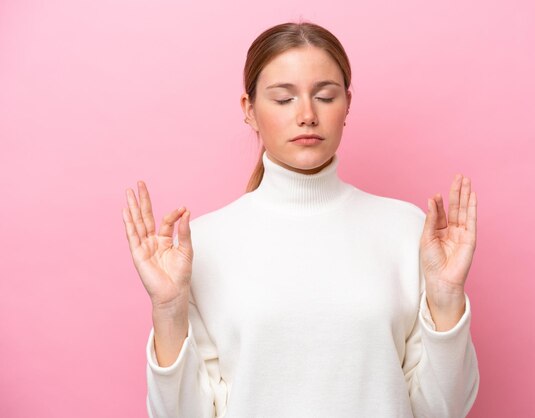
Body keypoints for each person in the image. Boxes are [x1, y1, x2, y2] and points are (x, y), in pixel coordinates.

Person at [122, 21, 479, 418]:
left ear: (347, 105)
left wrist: (447, 300)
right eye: (284, 99)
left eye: (325, 97)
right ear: (249, 110)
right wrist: (168, 310)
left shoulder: (408, 231)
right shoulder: (199, 247)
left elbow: (442, 410)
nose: (307, 115)